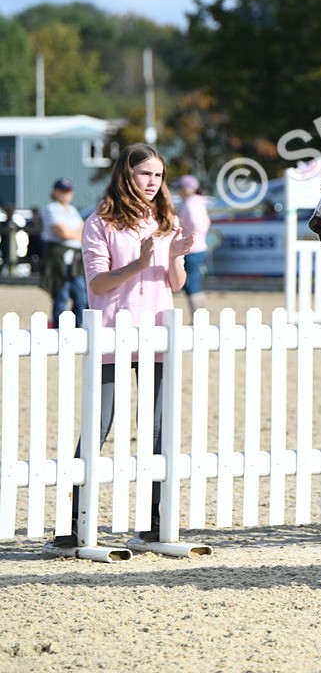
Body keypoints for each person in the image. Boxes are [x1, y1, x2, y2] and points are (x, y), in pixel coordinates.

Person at [52, 144, 193, 548]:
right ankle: (71, 527)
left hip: (157, 333)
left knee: (159, 431)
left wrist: (176, 258)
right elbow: (97, 283)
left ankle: (152, 524)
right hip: (114, 333)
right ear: (125, 174)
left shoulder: (165, 216)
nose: (153, 183)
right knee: (98, 427)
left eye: (159, 176)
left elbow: (175, 284)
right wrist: (138, 262)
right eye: (145, 174)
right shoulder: (99, 221)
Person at [39, 178, 88, 327]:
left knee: (82, 297)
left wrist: (72, 232)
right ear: (55, 192)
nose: (66, 194)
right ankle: (59, 330)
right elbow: (62, 232)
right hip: (59, 258)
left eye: (68, 191)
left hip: (74, 259)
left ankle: (78, 328)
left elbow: (82, 230)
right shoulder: (51, 208)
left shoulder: (72, 210)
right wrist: (75, 233)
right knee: (61, 296)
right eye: (63, 190)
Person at [174, 174, 211, 320]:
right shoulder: (199, 202)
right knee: (193, 281)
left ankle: (198, 317)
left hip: (192, 248)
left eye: (180, 188)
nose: (178, 191)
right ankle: (199, 316)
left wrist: (188, 234)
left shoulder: (191, 203)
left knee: (190, 283)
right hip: (199, 246)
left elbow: (197, 223)